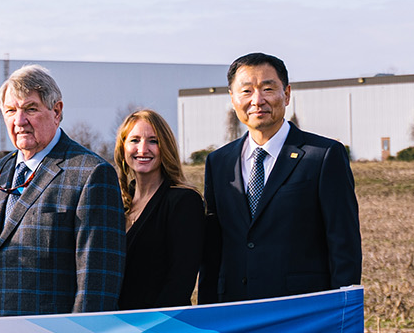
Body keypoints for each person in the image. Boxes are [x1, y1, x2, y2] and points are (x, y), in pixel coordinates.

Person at [198, 53, 361, 303]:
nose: (257, 100)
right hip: (234, 309)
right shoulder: (219, 162)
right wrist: (208, 313)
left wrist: (341, 313)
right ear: (232, 98)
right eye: (246, 91)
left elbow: (344, 245)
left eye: (267, 88)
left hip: (301, 312)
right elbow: (213, 250)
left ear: (286, 94)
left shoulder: (323, 156)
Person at [0, 65, 125, 316]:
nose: (19, 121)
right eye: (10, 111)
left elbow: (96, 283)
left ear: (57, 111)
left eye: (30, 109)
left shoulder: (91, 173)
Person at [113, 109, 205, 309]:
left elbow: (181, 281)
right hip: (115, 327)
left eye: (153, 141)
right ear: (122, 148)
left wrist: (150, 330)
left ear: (166, 148)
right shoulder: (117, 206)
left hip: (159, 330)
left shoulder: (184, 201)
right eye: (134, 140)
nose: (143, 149)